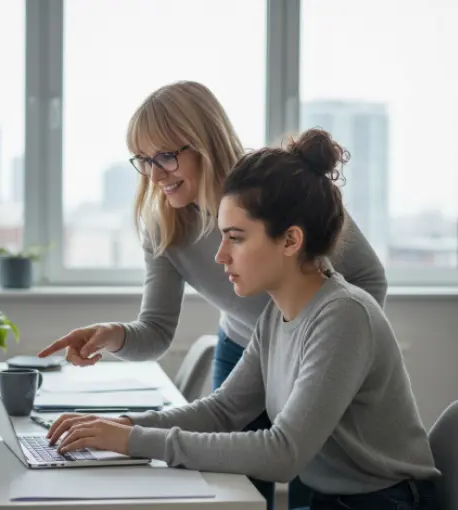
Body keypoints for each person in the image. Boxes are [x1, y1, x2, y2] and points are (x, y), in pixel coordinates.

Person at [45, 128, 440, 510]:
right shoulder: (276, 315)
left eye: (235, 237)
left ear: (290, 240)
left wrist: (134, 442)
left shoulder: (343, 316)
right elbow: (224, 410)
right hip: (335, 500)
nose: (219, 256)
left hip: (385, 503)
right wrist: (124, 426)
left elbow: (282, 452)